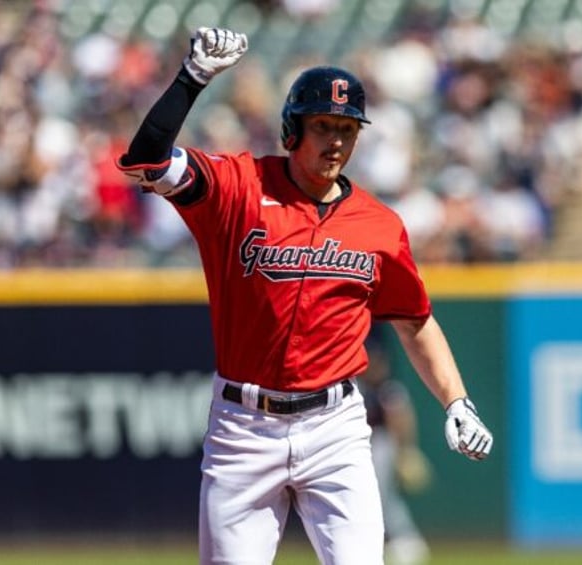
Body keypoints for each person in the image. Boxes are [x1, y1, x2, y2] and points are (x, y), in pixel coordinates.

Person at [117, 26, 493, 565]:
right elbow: (145, 160)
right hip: (243, 428)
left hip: (335, 427)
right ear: (293, 129)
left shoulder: (380, 226)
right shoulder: (237, 186)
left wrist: (456, 400)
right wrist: (192, 78)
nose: (336, 140)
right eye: (322, 125)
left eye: (347, 128)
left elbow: (415, 321)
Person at [359, 334, 432, 565]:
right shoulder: (355, 385)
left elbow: (400, 418)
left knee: (383, 497)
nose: (376, 364)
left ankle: (407, 543)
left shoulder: (387, 388)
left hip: (380, 443)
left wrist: (406, 451)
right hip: (358, 444)